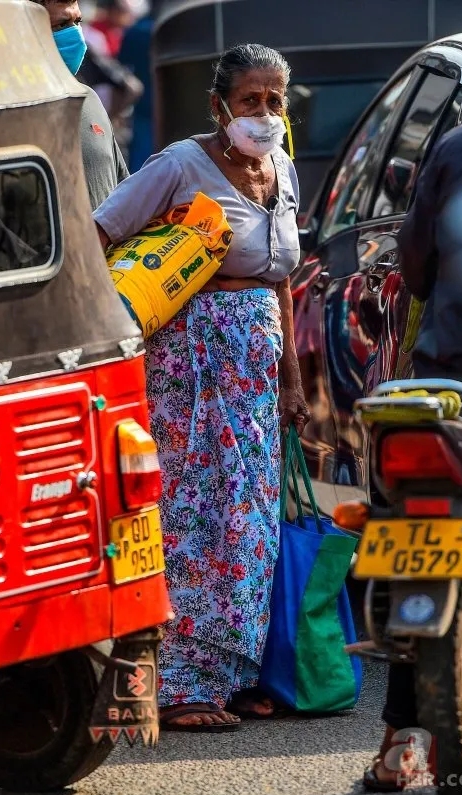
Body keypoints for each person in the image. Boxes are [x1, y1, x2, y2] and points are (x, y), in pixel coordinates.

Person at [93, 43, 309, 731]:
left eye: (275, 101)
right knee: (195, 518)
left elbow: (281, 281)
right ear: (219, 106)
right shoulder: (181, 165)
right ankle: (181, 683)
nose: (265, 113)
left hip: (256, 375)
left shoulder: (282, 168)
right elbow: (101, 230)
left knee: (248, 525)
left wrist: (293, 381)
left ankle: (235, 672)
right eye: (251, 101)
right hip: (191, 368)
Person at [363, 4, 462, 790]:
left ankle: (400, 739)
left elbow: (416, 271)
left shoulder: (459, 143)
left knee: (418, 531)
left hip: (452, 380)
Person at [30, 0, 129, 210]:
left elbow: (125, 198)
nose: (75, 34)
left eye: (78, 22)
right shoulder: (8, 114)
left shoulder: (89, 101)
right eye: (61, 25)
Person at [117, 1, 156, 171]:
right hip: (176, 110)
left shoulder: (136, 30)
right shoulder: (178, 28)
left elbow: (121, 68)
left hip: (143, 107)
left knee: (142, 168)